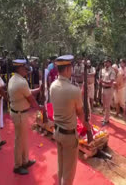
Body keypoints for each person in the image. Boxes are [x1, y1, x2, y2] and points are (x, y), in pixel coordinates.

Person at [50, 55, 91, 185]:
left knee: (61, 165)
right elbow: (79, 112)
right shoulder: (74, 90)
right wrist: (86, 124)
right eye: (71, 67)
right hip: (68, 135)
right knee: (69, 171)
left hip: (57, 131)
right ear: (67, 69)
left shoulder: (53, 85)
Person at [8, 59, 44, 175]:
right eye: (24, 68)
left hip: (18, 112)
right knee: (19, 140)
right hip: (20, 114)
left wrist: (38, 90)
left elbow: (27, 92)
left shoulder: (14, 79)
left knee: (23, 138)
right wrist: (39, 108)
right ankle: (18, 165)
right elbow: (31, 99)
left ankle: (25, 160)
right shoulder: (21, 82)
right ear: (19, 68)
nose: (26, 70)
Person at [100, 58, 116, 126]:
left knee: (107, 105)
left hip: (109, 89)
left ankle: (106, 120)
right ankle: (105, 117)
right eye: (104, 62)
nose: (105, 63)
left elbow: (111, 82)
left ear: (110, 63)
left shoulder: (112, 71)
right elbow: (101, 78)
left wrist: (103, 81)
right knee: (104, 104)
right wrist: (101, 82)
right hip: (103, 88)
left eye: (107, 62)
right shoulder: (102, 70)